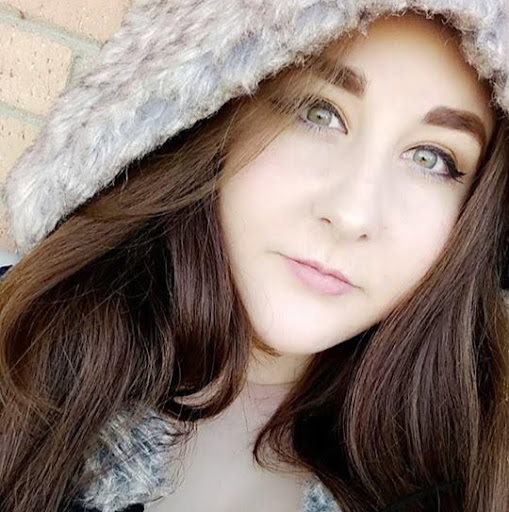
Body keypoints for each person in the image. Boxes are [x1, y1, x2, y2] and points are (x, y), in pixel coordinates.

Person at [0, 1, 508, 512]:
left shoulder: (476, 476)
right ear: (213, 109)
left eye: (431, 159)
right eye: (319, 113)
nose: (352, 214)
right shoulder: (22, 349)